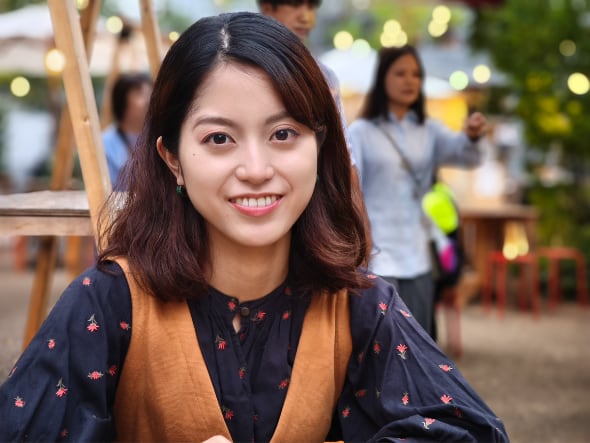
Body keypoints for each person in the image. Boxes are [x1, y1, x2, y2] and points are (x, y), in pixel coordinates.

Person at [0, 13, 507, 442]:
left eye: (283, 133)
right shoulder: (108, 303)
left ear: (320, 146)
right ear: (172, 158)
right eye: (219, 139)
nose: (257, 169)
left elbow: (470, 431)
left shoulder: (360, 307)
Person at [348, 44, 487, 338]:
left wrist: (472, 136)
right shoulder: (361, 132)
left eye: (416, 74)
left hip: (418, 252)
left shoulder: (429, 130)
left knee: (419, 338)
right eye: (400, 73)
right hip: (377, 254)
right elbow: (348, 188)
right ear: (382, 78)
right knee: (381, 341)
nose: (410, 81)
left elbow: (467, 157)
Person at [257, 0, 372, 266]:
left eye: (311, 7)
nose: (305, 16)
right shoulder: (236, 67)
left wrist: (361, 230)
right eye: (295, 4)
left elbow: (344, 156)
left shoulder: (322, 77)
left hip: (310, 215)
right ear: (267, 7)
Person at [101, 72, 152, 190]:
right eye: (140, 94)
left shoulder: (160, 136)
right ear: (122, 101)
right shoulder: (105, 143)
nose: (148, 100)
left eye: (150, 93)